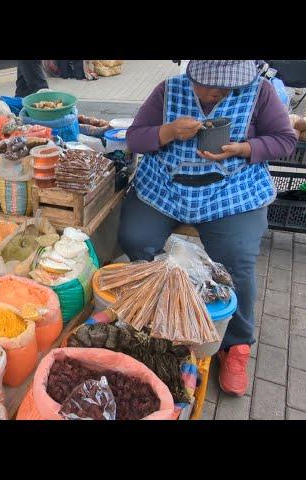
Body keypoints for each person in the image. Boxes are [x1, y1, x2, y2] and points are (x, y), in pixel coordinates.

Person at [119, 60, 297, 397]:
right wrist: (168, 131)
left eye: (226, 85)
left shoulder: (258, 92)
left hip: (231, 190)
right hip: (167, 186)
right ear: (191, 73)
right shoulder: (167, 91)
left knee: (237, 257)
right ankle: (157, 316)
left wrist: (246, 149)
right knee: (136, 238)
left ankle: (237, 344)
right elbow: (135, 138)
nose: (217, 91)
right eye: (208, 84)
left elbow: (284, 140)